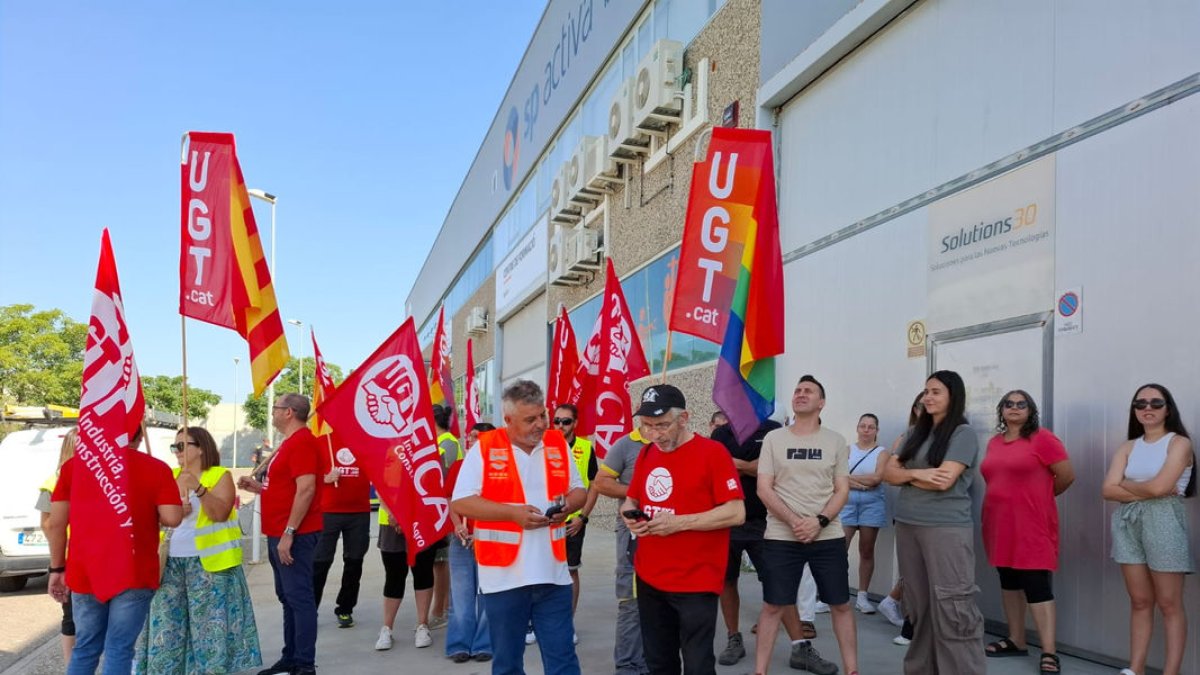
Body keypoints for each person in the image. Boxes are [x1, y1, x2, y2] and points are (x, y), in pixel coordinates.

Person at [452, 380, 587, 675]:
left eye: (543, 416)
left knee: (563, 660)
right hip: (504, 579)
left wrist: (566, 507)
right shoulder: (485, 448)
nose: (540, 425)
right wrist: (512, 515)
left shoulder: (557, 444)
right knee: (508, 664)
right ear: (508, 420)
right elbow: (461, 502)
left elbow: (580, 491)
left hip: (553, 575)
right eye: (530, 419)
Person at [620, 384, 745, 675]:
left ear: (684, 418)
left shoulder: (713, 453)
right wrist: (628, 513)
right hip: (650, 576)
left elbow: (736, 512)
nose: (654, 434)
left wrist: (679, 523)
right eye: (647, 426)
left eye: (662, 425)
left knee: (698, 664)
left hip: (696, 581)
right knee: (659, 662)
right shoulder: (648, 453)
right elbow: (632, 498)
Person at [46, 425, 183, 675]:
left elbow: (55, 523)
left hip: (85, 570)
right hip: (134, 570)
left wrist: (57, 568)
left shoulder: (73, 467)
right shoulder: (156, 468)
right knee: (119, 649)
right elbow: (172, 518)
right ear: (140, 438)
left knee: (85, 648)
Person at [134, 427, 261, 674]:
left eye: (182, 446)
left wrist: (198, 488)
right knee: (167, 627)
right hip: (169, 564)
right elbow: (149, 518)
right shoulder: (168, 475)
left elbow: (220, 513)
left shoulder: (218, 475)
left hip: (210, 565)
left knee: (209, 631)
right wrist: (173, 513)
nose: (176, 451)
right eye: (174, 447)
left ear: (201, 448)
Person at [883, 370, 985, 675]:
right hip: (908, 524)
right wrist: (917, 474)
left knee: (952, 605)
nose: (928, 397)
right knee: (918, 605)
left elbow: (944, 480)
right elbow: (888, 474)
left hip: (945, 528)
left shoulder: (962, 434)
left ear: (953, 396)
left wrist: (908, 475)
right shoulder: (915, 433)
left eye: (936, 391)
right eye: (926, 391)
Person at [754, 375, 855, 675]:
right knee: (773, 605)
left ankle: (853, 669)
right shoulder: (774, 439)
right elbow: (764, 488)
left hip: (828, 536)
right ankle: (760, 671)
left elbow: (842, 490)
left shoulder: (835, 441)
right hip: (781, 536)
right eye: (797, 390)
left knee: (840, 605)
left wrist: (820, 521)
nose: (800, 394)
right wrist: (796, 521)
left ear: (821, 403)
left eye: (808, 391)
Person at [1102, 383, 1195, 675]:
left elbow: (1161, 487)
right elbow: (1107, 489)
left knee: (1169, 602)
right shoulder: (1128, 446)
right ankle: (1136, 668)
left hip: (1164, 521)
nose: (1148, 409)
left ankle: (1171, 672)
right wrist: (1147, 490)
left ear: (1168, 408)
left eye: (1156, 403)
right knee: (1140, 601)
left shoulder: (1179, 443)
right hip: (1128, 523)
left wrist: (1126, 486)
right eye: (1141, 404)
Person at [980, 390, 1074, 673]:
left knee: (1036, 584)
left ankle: (1049, 651)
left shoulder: (1043, 438)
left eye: (1022, 404)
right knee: (1008, 580)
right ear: (1002, 410)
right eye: (1009, 404)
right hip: (998, 523)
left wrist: (1039, 499)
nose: (1015, 408)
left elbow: (1066, 476)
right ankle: (1017, 639)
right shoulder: (994, 442)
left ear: (1031, 410)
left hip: (1031, 524)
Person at [711, 417, 815, 668]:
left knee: (779, 583)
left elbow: (776, 468)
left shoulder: (772, 430)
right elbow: (719, 468)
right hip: (728, 520)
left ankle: (799, 647)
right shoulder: (721, 435)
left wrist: (742, 466)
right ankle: (734, 638)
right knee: (727, 581)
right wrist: (754, 466)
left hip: (766, 522)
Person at [238, 394, 323, 675]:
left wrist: (289, 532)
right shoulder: (289, 445)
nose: (271, 413)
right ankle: (292, 656)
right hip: (279, 533)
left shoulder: (302, 443)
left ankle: (304, 663)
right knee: (288, 597)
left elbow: (307, 488)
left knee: (299, 598)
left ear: (288, 412)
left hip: (294, 536)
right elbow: (287, 487)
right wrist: (258, 488)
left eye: (275, 409)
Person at [594, 428, 651, 675]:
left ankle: (651, 662)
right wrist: (637, 492)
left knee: (661, 603)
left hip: (670, 534)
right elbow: (601, 482)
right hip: (633, 534)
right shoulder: (625, 444)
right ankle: (628, 665)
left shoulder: (676, 445)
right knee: (631, 600)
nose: (656, 425)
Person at [445, 423, 494, 663]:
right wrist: (457, 525)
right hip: (462, 538)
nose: (471, 439)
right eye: (470, 436)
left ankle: (485, 643)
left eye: (478, 436)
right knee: (461, 594)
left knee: (489, 593)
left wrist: (484, 532)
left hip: (490, 539)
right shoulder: (458, 467)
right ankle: (459, 643)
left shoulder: (498, 469)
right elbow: (450, 498)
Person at [312, 436, 372, 630]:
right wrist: (325, 478)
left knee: (354, 562)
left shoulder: (366, 440)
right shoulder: (321, 441)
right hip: (328, 512)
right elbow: (304, 475)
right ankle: (310, 609)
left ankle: (345, 608)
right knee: (320, 563)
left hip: (359, 513)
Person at [554, 403, 597, 645]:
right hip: (547, 522)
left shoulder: (585, 448)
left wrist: (583, 517)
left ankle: (567, 623)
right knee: (543, 572)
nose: (560, 426)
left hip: (572, 523)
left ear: (575, 424)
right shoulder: (544, 446)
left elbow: (594, 486)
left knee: (570, 571)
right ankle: (536, 623)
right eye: (557, 421)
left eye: (566, 421)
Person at [36, 429, 79, 667]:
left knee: (72, 616)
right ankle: (72, 664)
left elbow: (46, 524)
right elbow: (48, 525)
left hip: (72, 557)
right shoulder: (54, 482)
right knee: (72, 615)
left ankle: (73, 664)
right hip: (70, 558)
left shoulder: (53, 481)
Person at [840, 414, 889, 616]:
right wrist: (857, 482)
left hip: (872, 505)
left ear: (877, 430)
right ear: (857, 428)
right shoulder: (847, 450)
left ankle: (862, 596)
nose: (866, 430)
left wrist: (851, 480)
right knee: (838, 550)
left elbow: (877, 478)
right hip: (847, 504)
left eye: (871, 427)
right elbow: (838, 476)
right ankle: (834, 595)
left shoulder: (882, 453)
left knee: (866, 550)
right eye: (863, 426)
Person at [374, 503, 438, 650]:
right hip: (390, 520)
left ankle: (422, 625)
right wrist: (395, 513)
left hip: (422, 519)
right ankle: (387, 628)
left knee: (423, 572)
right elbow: (380, 486)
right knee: (394, 575)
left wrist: (411, 517)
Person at [431, 404, 461, 630]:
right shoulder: (439, 443)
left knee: (441, 563)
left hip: (446, 512)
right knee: (438, 563)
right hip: (438, 511)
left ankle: (441, 610)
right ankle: (442, 608)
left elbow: (442, 480)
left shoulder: (447, 444)